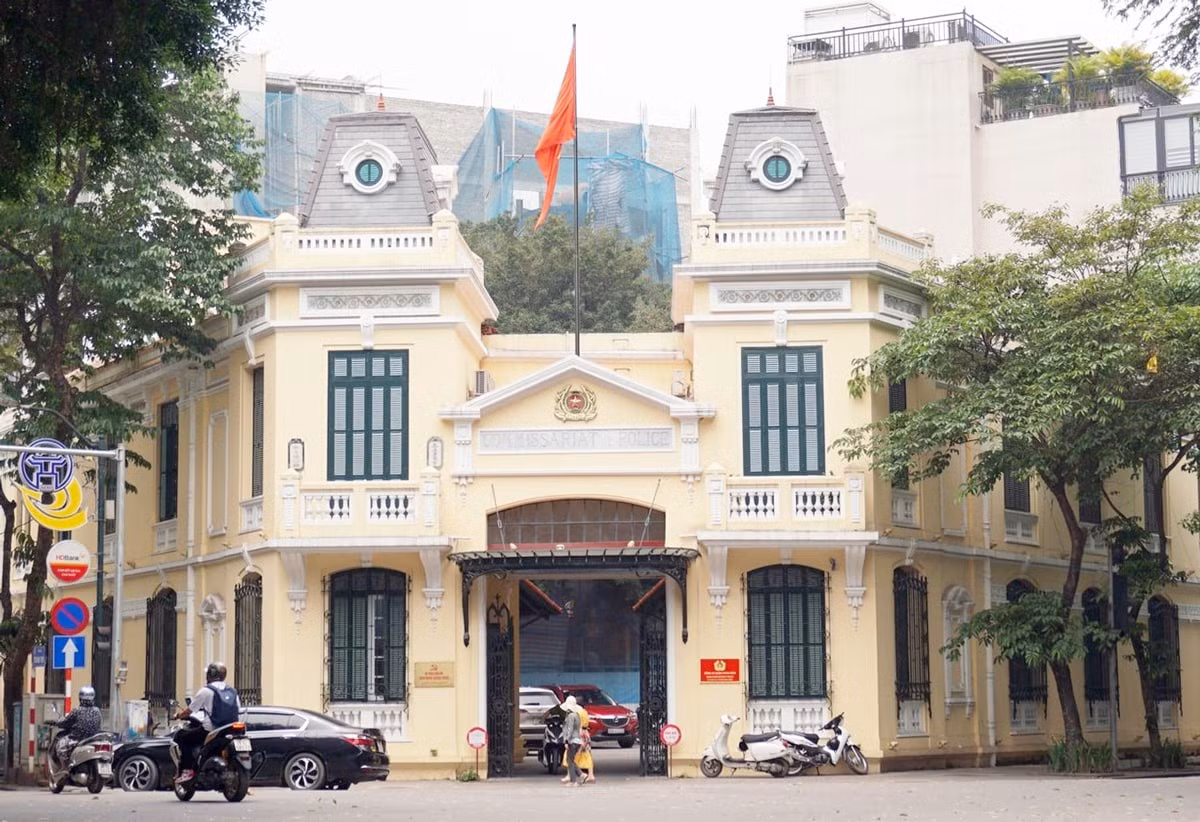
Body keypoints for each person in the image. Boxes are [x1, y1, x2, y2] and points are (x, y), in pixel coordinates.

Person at [173, 661, 241, 784]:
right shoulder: (233, 691)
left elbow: (190, 710)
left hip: (211, 730)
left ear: (210, 675)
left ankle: (187, 770)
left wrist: (178, 715)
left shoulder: (205, 691)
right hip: (231, 728)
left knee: (183, 737)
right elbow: (238, 709)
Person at [52, 685, 102, 767]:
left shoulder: (77, 711)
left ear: (80, 698)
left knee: (60, 747)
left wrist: (57, 723)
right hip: (93, 739)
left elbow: (65, 722)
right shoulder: (97, 711)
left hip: (78, 739)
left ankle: (65, 768)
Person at [561, 700, 596, 784]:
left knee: (569, 756)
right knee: (587, 755)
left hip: (577, 735)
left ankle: (571, 776)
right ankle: (590, 775)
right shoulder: (584, 712)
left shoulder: (575, 713)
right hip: (585, 733)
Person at [560, 694, 584, 787]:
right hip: (577, 740)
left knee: (570, 761)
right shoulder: (577, 715)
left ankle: (574, 781)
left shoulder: (570, 716)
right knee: (571, 760)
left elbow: (569, 729)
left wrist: (566, 740)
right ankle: (580, 775)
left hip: (572, 741)